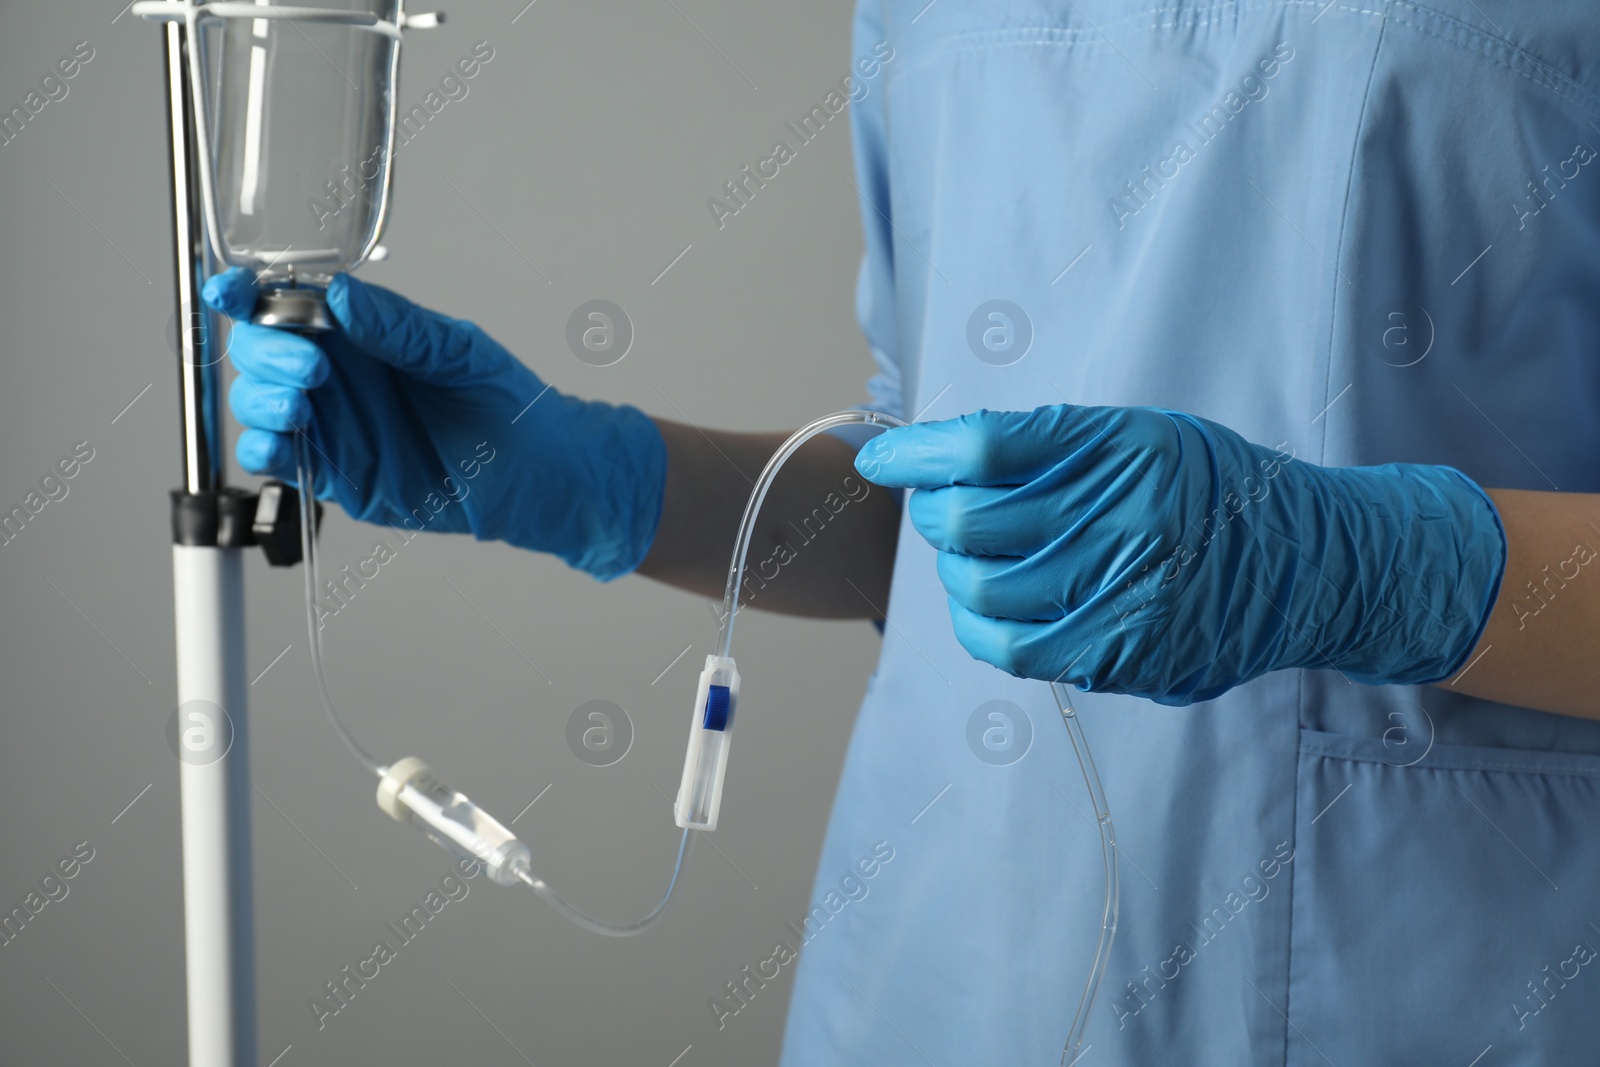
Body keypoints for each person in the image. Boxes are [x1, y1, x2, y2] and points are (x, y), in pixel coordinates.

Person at [206, 1, 1600, 1061]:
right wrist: (589, 479)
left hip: (1417, 966)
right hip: (943, 959)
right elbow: (940, 513)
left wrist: (1389, 571)